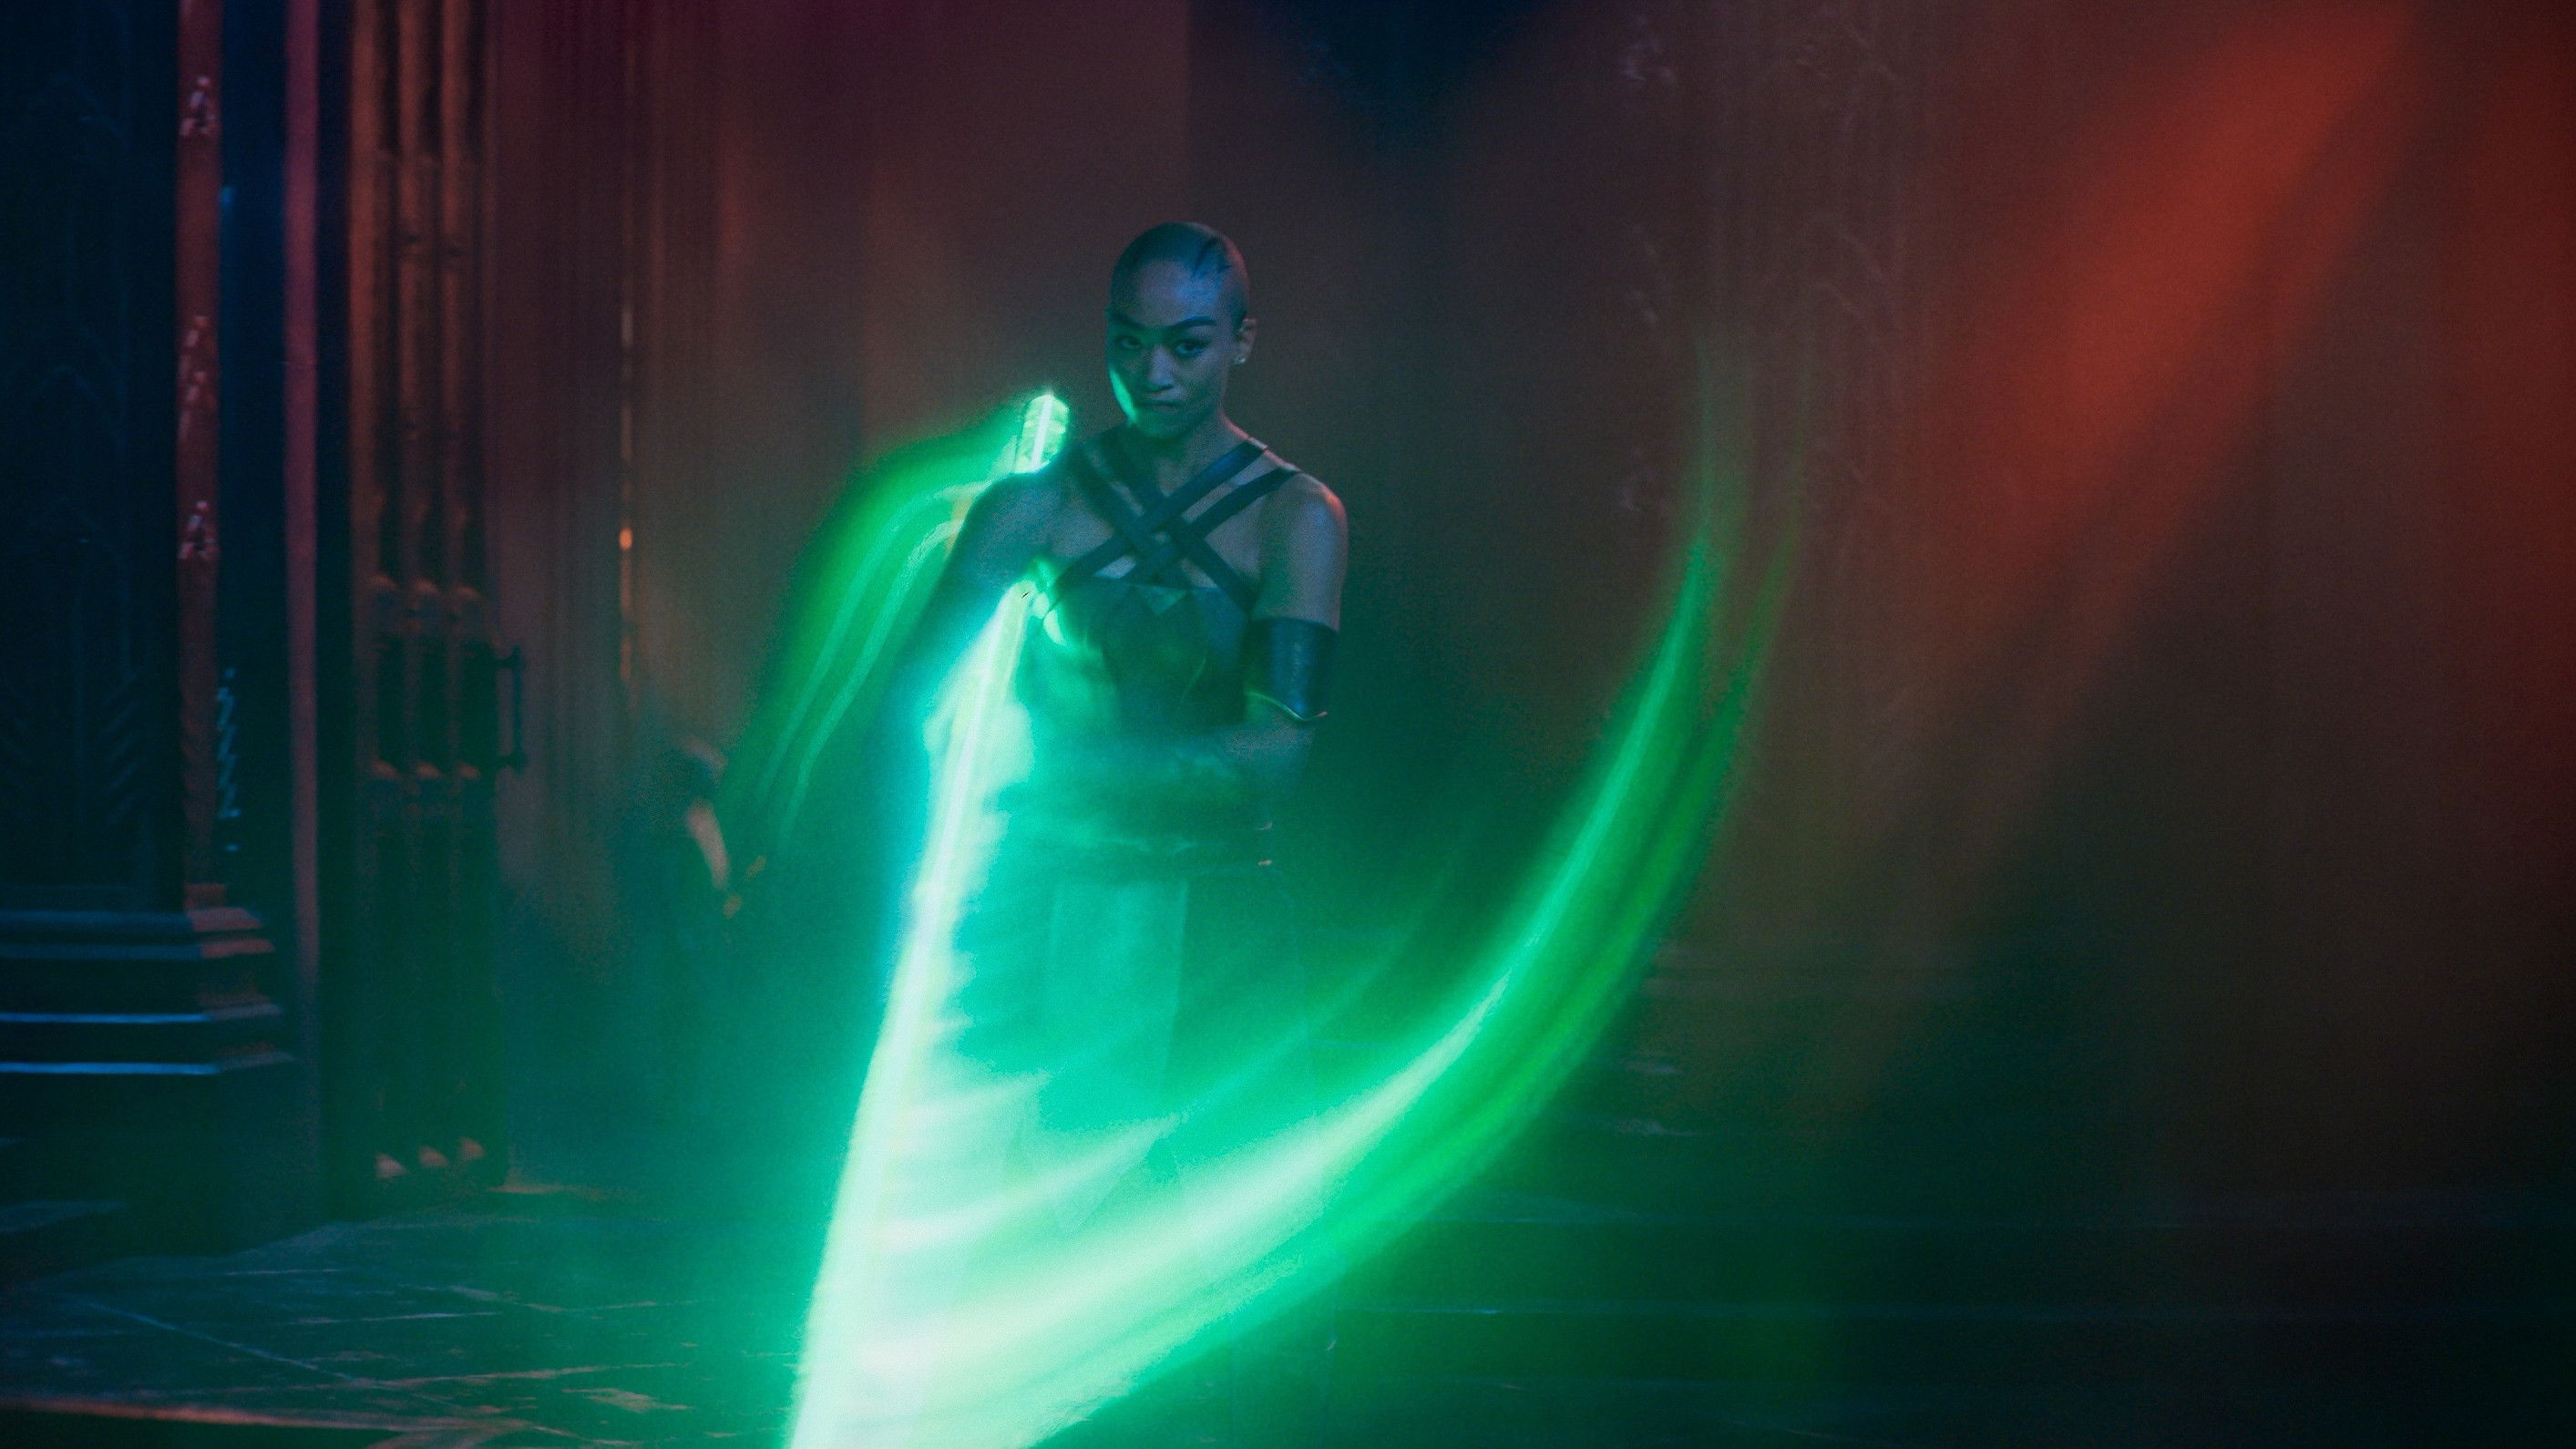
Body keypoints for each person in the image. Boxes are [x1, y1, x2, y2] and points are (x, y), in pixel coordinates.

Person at [887, 221, 1347, 1445]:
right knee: (1042, 1259)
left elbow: (1279, 749)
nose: (1155, 373)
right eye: (1129, 343)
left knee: (1260, 1263)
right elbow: (910, 699)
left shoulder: (1295, 516)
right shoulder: (1033, 508)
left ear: (1240, 341)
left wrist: (1062, 766)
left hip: (1223, 918)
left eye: (1187, 344)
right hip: (1063, 918)